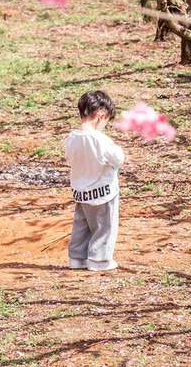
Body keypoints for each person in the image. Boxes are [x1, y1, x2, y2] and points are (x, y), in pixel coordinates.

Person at [65, 89, 125, 272]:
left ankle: (77, 258)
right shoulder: (101, 140)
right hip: (103, 192)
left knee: (81, 225)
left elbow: (70, 158)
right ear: (101, 115)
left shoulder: (71, 138)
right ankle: (100, 260)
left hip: (81, 192)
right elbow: (118, 160)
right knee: (104, 226)